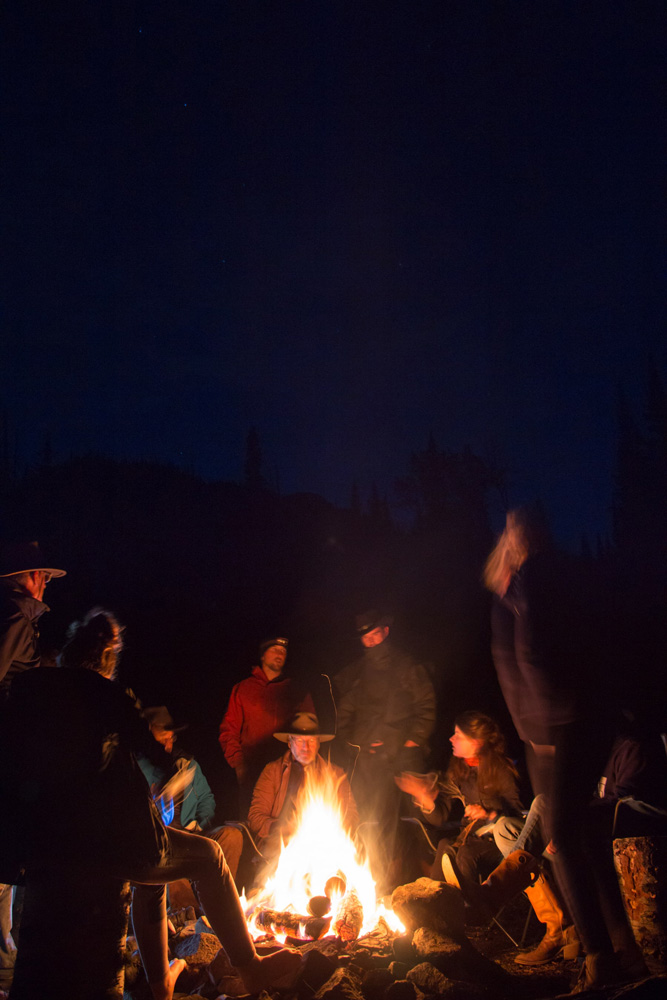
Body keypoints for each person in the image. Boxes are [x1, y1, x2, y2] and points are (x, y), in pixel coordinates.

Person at [2, 609, 299, 1000]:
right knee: (208, 856)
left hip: (43, 843)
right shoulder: (106, 693)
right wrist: (168, 781)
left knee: (151, 878)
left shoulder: (27, 693)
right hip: (107, 843)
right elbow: (156, 757)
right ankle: (251, 969)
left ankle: (161, 988)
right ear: (108, 656)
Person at [484, 508, 647, 991]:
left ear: (519, 538)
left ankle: (599, 959)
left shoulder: (534, 578)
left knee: (563, 836)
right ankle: (621, 948)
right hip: (582, 717)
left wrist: (542, 726)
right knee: (580, 833)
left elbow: (532, 653)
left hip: (560, 724)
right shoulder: (562, 574)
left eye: (511, 531)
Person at [0, 540, 66, 991]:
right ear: (21, 578)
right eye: (38, 575)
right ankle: (6, 965)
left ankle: (7, 959)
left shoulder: (22, 620)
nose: (44, 583)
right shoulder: (13, 618)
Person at [335, 610, 436, 891]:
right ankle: (372, 879)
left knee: (405, 822)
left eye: (374, 634)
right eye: (365, 637)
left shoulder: (406, 667)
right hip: (368, 760)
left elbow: (426, 708)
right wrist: (349, 742)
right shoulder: (358, 673)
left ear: (386, 631)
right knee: (369, 818)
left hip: (401, 758)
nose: (370, 641)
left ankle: (410, 881)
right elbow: (345, 712)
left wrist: (411, 742)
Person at [396, 711, 522, 890]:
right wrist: (424, 797)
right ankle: (434, 903)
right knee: (445, 845)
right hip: (470, 837)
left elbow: (517, 818)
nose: (451, 739)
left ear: (475, 742)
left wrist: (488, 814)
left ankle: (469, 910)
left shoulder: (500, 769)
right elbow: (439, 818)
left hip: (496, 842)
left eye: (458, 735)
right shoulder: (459, 769)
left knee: (466, 854)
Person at [138, 707, 244, 887]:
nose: (168, 745)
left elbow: (207, 799)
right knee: (174, 857)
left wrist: (199, 824)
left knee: (232, 836)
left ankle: (224, 899)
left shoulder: (187, 765)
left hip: (192, 834)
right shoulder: (137, 767)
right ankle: (188, 911)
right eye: (162, 740)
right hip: (162, 841)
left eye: (171, 739)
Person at [247, 711, 358, 863]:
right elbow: (255, 817)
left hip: (324, 846)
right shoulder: (272, 771)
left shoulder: (336, 774)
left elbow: (351, 816)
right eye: (299, 741)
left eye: (311, 741)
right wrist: (282, 829)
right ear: (289, 742)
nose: (306, 747)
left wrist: (331, 832)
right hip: (280, 846)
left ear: (319, 743)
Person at [219, 635, 296, 817]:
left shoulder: (294, 689)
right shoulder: (243, 689)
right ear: (262, 656)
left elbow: (310, 728)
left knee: (285, 826)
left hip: (287, 770)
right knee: (252, 821)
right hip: (252, 770)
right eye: (275, 650)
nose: (280, 654)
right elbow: (228, 730)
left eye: (283, 651)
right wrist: (238, 764)